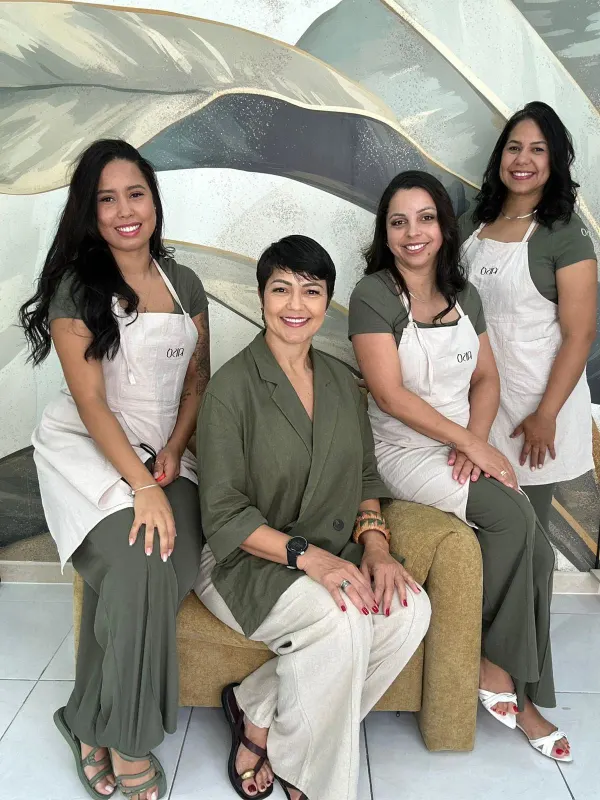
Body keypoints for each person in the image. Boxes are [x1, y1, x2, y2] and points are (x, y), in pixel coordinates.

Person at [194, 235, 430, 800]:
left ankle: (256, 710)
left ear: (327, 301)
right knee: (342, 616)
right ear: (261, 298)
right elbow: (224, 515)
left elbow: (365, 478)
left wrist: (376, 548)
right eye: (281, 289)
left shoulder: (343, 383)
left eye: (311, 290)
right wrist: (310, 559)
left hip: (330, 549)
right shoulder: (230, 389)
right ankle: (316, 781)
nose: (295, 304)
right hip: (244, 560)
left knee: (408, 610)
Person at [348, 170, 570, 762]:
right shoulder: (373, 295)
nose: (412, 232)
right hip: (401, 451)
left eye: (425, 218)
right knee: (513, 519)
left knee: (539, 549)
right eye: (398, 222)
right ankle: (497, 671)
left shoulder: (464, 295)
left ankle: (519, 684)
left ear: (444, 227)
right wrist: (470, 446)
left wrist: (473, 439)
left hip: (457, 442)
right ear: (386, 233)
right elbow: (390, 396)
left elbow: (487, 377)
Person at [19, 140, 209, 800]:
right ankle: (129, 740)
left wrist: (174, 449)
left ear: (154, 200)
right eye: (107, 199)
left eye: (136, 194)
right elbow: (93, 404)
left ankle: (81, 719)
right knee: (137, 566)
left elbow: (196, 380)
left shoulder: (185, 284)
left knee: (166, 568)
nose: (125, 211)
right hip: (90, 451)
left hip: (167, 453)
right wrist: (142, 486)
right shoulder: (77, 287)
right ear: (90, 211)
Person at [460, 101, 597, 534]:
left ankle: (535, 587)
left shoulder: (565, 234)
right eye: (514, 147)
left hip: (531, 408)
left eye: (538, 150)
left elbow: (580, 334)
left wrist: (546, 415)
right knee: (484, 531)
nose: (523, 160)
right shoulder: (473, 223)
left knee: (527, 532)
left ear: (554, 161)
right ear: (499, 155)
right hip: (472, 402)